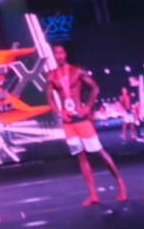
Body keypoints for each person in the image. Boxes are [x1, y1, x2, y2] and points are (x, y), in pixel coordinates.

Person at [45, 44, 127, 206]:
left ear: (65, 54)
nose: (59, 56)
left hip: (81, 117)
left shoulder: (77, 71)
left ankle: (120, 183)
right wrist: (59, 113)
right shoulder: (51, 75)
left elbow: (95, 87)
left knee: (99, 151)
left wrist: (88, 106)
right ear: (53, 55)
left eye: (61, 53)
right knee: (81, 156)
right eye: (56, 53)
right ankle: (93, 194)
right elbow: (49, 97)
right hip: (68, 121)